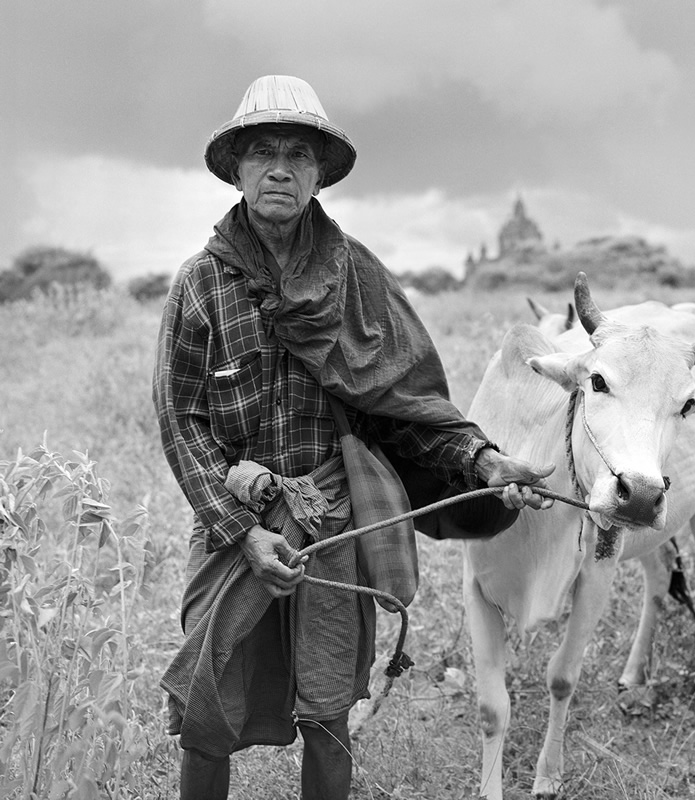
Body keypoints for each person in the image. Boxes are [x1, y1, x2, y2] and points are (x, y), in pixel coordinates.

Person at [153, 74, 555, 800]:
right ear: (238, 168)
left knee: (330, 708)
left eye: (299, 154)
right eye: (264, 151)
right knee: (207, 704)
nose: (281, 167)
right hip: (232, 526)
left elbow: (408, 406)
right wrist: (243, 531)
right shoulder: (198, 285)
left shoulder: (355, 276)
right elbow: (182, 421)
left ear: (317, 174)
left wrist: (486, 462)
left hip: (334, 522)